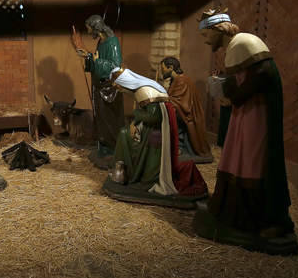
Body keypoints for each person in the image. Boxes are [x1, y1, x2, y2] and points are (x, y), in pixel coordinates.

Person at [193, 10, 297, 255]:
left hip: (256, 116)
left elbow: (264, 75)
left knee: (252, 163)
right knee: (237, 161)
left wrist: (234, 94)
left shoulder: (244, 42)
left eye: (206, 34)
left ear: (218, 30)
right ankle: (232, 214)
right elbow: (243, 77)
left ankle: (266, 221)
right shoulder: (236, 46)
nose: (205, 40)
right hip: (245, 114)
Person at [105, 68, 207, 207]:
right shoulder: (141, 88)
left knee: (124, 135)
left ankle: (126, 172)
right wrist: (135, 122)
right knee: (125, 132)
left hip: (155, 132)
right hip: (151, 128)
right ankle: (122, 170)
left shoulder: (144, 91)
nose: (123, 91)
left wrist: (136, 115)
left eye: (122, 88)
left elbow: (154, 117)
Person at [71, 14, 124, 165]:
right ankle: (105, 147)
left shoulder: (112, 41)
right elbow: (98, 58)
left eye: (89, 29)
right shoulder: (102, 40)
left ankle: (115, 150)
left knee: (110, 121)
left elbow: (115, 66)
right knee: (101, 119)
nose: (88, 33)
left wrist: (91, 57)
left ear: (96, 28)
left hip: (109, 90)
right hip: (100, 87)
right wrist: (87, 57)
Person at [157, 56, 213, 163]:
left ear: (171, 68)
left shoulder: (182, 80)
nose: (162, 71)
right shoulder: (176, 80)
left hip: (188, 117)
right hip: (183, 114)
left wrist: (163, 99)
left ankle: (179, 148)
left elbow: (182, 104)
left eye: (163, 68)